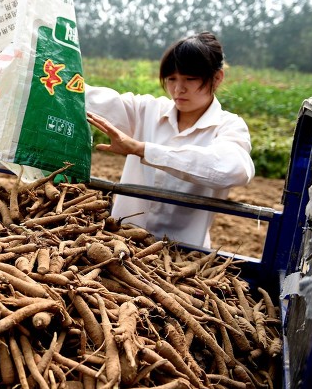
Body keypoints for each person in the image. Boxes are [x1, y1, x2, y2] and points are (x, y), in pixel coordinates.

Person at [85, 31, 255, 248]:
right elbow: (92, 99)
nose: (178, 89)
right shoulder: (147, 110)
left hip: (182, 255)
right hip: (120, 243)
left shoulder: (229, 127)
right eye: (172, 79)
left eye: (190, 79)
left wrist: (143, 150)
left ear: (217, 78)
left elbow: (233, 169)